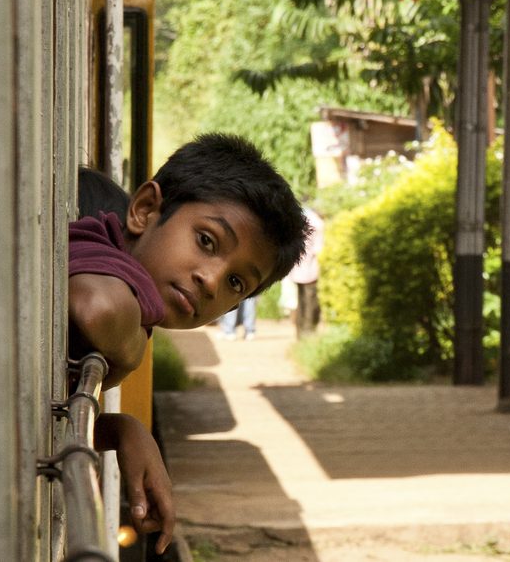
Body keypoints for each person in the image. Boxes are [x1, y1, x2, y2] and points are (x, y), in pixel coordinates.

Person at [69, 134, 309, 553]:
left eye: (237, 282)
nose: (212, 280)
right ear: (145, 210)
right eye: (207, 241)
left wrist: (123, 429)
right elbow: (97, 307)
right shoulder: (100, 249)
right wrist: (134, 353)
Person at [289, 205, 323, 336]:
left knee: (301, 301)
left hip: (297, 270)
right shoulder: (318, 223)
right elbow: (318, 250)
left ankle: (299, 332)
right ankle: (308, 332)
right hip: (311, 270)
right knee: (310, 302)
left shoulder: (301, 219)